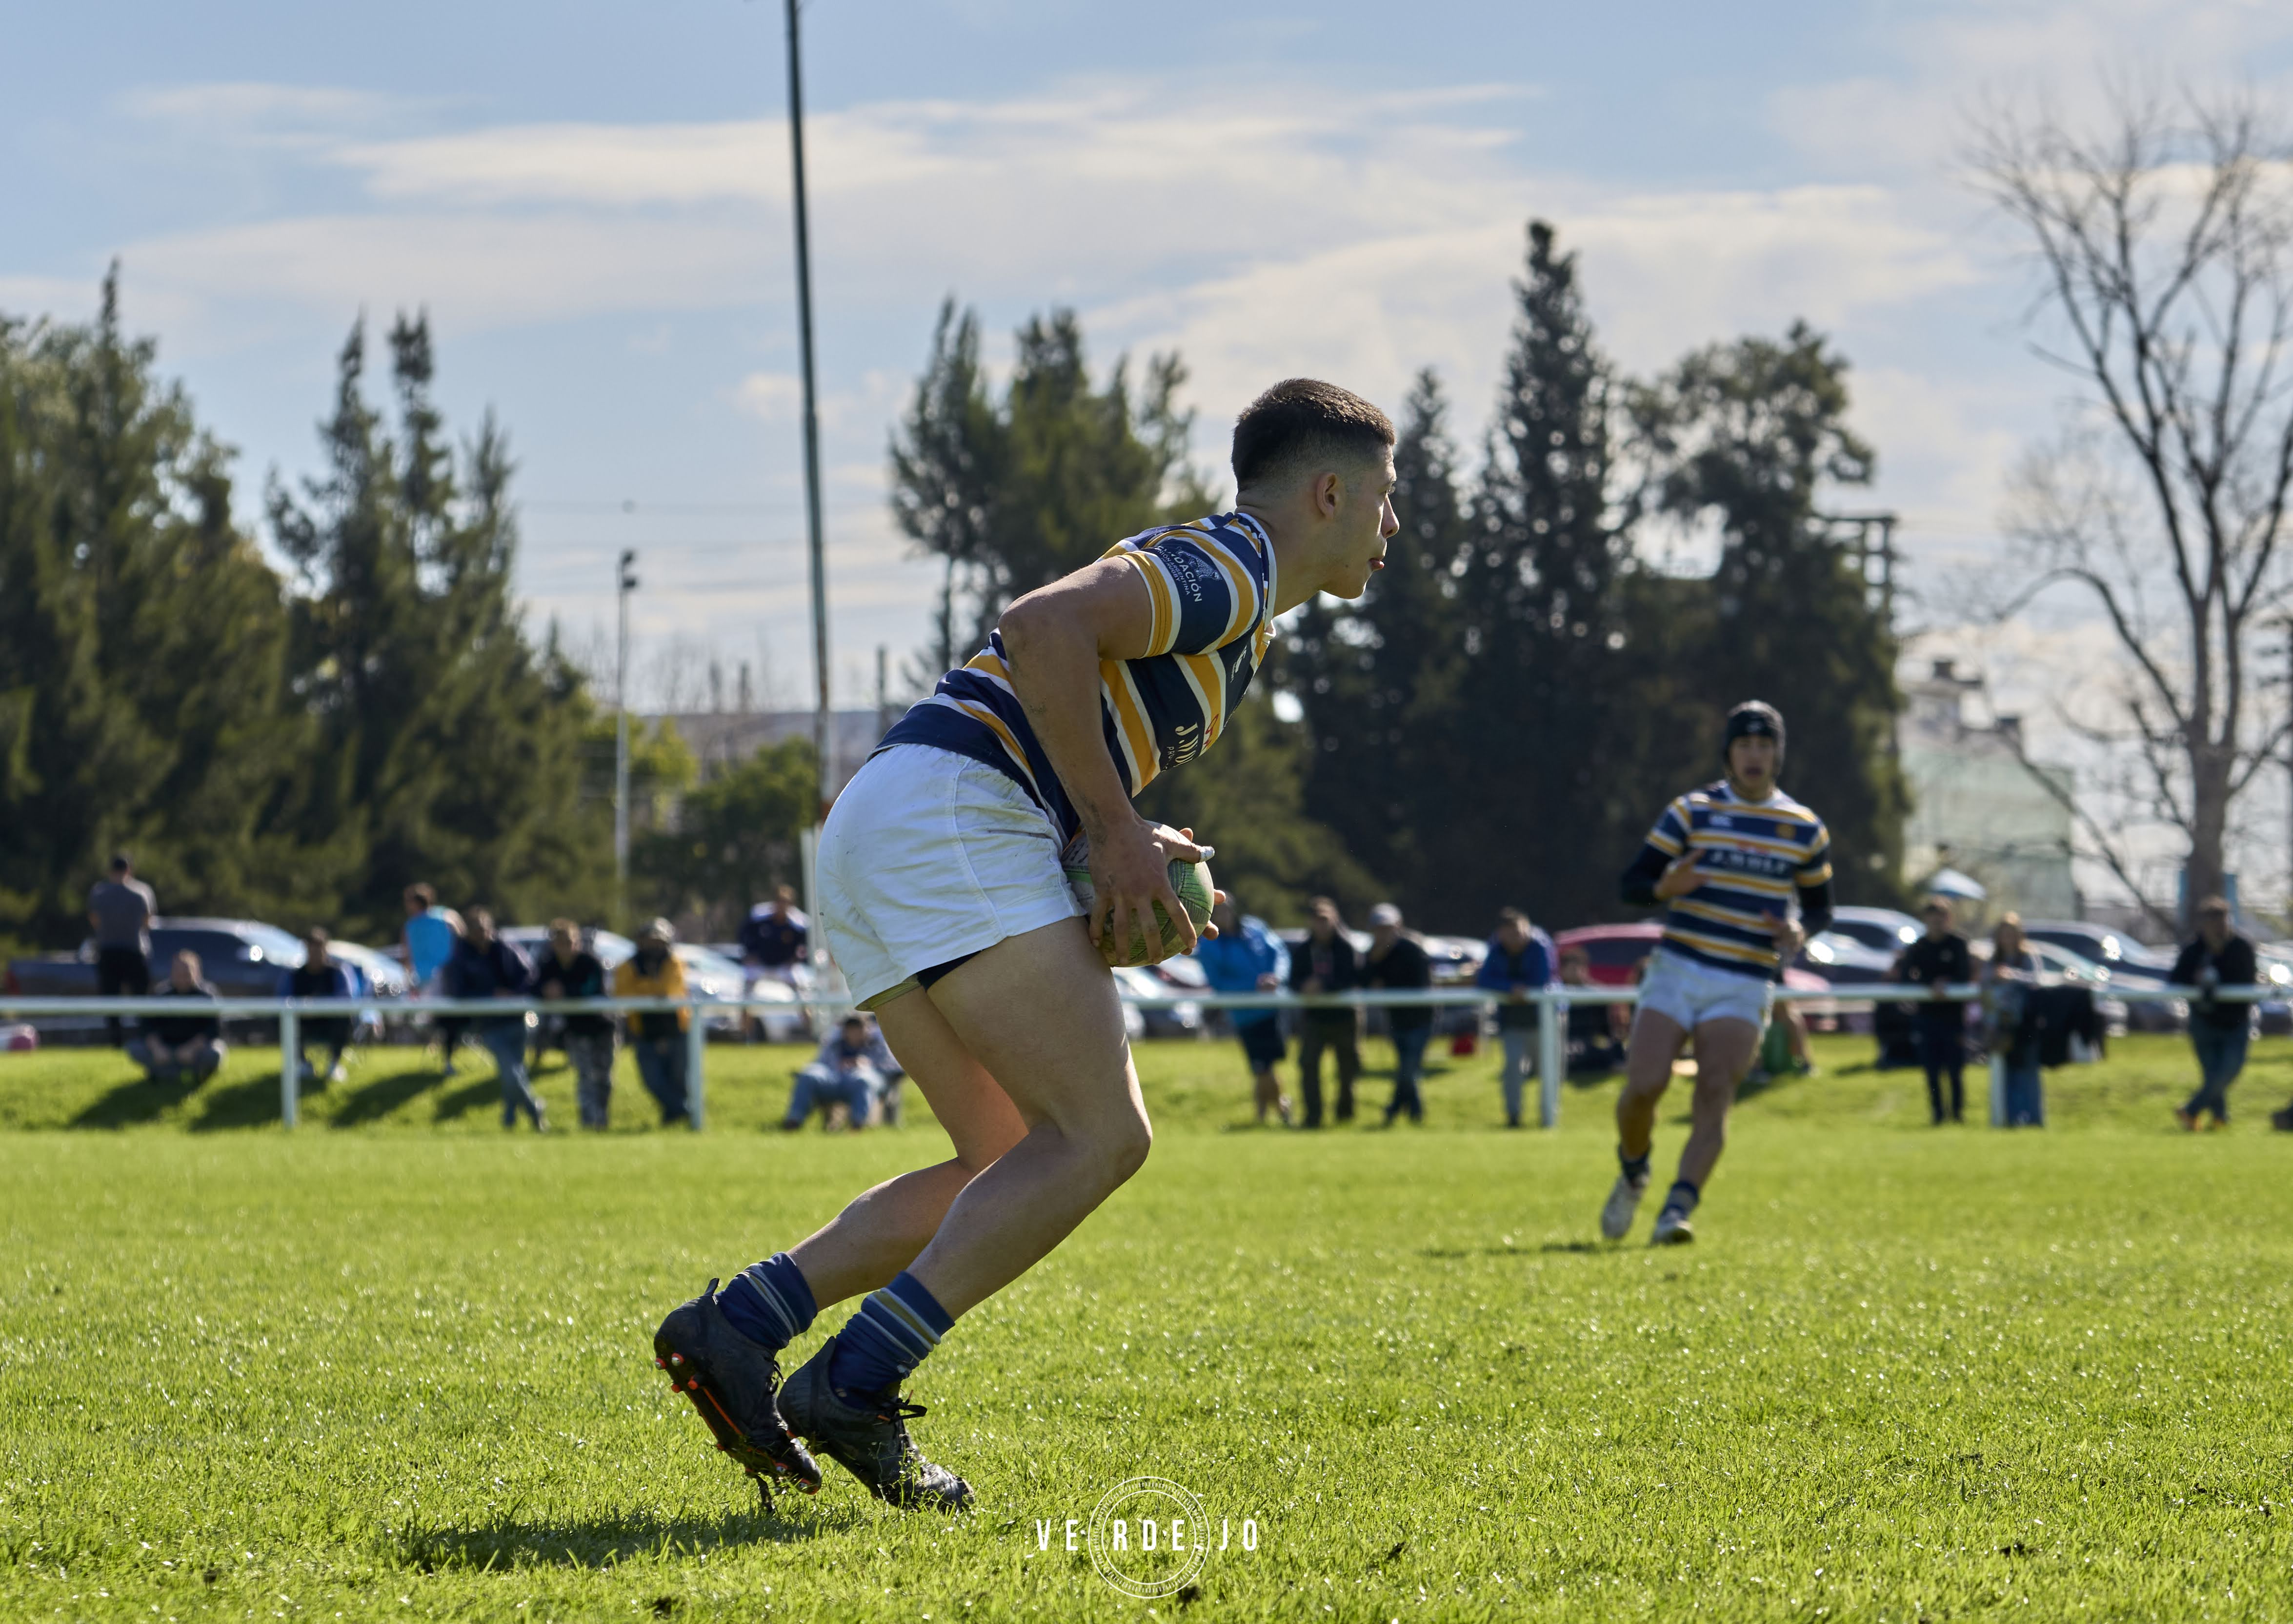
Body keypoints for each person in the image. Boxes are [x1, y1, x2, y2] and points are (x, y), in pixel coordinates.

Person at [649, 377, 1397, 1511]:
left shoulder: (1237, 604)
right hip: (952, 811)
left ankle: (739, 1323)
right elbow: (1041, 625)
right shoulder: (1238, 562)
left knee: (1002, 1159)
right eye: (1384, 497)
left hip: (895, 815)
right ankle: (855, 1381)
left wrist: (1117, 828)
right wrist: (1112, 829)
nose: (1392, 524)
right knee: (1101, 1135)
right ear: (1328, 494)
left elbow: (1057, 698)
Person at [1602, 701, 1834, 1244]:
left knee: (1714, 1091)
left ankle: (1676, 1209)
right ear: (1728, 753)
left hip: (1745, 978)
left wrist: (1798, 931)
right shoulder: (1691, 811)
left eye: (1764, 745)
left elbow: (1820, 908)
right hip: (1678, 968)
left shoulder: (1804, 828)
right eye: (1744, 744)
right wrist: (1665, 887)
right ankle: (1634, 1170)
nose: (1754, 755)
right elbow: (1632, 884)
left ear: (1778, 754)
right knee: (1643, 1086)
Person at [444, 907, 545, 1131]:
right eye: (476, 929)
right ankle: (534, 1108)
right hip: (489, 1025)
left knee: (515, 1073)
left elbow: (529, 977)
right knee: (511, 1072)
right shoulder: (461, 956)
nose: (482, 934)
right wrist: (491, 994)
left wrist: (513, 994)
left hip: (517, 1020)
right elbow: (458, 991)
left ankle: (509, 1120)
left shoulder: (506, 949)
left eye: (484, 928)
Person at [1194, 897, 1292, 1125]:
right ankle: (1281, 1108)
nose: (1223, 915)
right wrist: (1255, 987)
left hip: (1271, 1009)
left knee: (1265, 1067)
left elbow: (1280, 954)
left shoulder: (1256, 928)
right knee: (1263, 1067)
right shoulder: (1209, 945)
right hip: (1245, 1015)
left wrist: (1276, 978)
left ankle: (1263, 1115)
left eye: (1226, 910)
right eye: (1217, 912)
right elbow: (1218, 984)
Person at [2172, 896, 2257, 1131]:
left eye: (2222, 921)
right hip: (2204, 1021)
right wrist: (2196, 978)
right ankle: (2220, 1119)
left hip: (2235, 1021)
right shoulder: (2194, 949)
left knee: (2229, 1069)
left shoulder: (2241, 947)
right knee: (2212, 1074)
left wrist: (2219, 966)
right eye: (2212, 922)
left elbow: (2247, 980)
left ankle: (2191, 1110)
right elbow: (2177, 977)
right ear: (2203, 924)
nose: (2218, 928)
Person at [1896, 897, 1974, 1124]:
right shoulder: (1918, 946)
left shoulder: (1958, 944)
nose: (1937, 924)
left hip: (1953, 1017)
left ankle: (1957, 1114)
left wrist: (1947, 982)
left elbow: (1965, 975)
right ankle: (1937, 1114)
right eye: (1933, 919)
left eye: (1942, 919)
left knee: (1955, 1067)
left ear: (1949, 919)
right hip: (1927, 1017)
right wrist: (1928, 986)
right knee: (1931, 1068)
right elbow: (1906, 977)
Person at [1288, 896, 1363, 1127]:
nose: (1322, 925)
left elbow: (1352, 978)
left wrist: (1322, 985)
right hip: (1314, 1018)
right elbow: (1293, 981)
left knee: (1347, 1070)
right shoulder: (1303, 950)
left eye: (1326, 919)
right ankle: (1313, 1118)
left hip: (1345, 1017)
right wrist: (1304, 987)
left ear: (1335, 919)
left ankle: (1345, 1116)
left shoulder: (1347, 947)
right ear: (1311, 921)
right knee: (1308, 1066)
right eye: (1317, 919)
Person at [1476, 908, 1555, 1127]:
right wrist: (1511, 989)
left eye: (1520, 932)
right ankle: (1513, 1118)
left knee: (1549, 1071)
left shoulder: (1540, 946)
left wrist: (1520, 990)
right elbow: (1484, 980)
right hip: (1512, 1021)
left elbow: (1543, 979)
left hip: (1544, 1021)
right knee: (1512, 1068)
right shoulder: (1496, 950)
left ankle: (1548, 1118)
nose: (1517, 937)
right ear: (1501, 933)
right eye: (1511, 933)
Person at [538, 920, 615, 1130]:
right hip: (576, 1030)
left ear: (577, 942)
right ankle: (589, 1123)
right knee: (586, 1075)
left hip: (602, 1028)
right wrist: (545, 991)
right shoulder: (549, 965)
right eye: (560, 942)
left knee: (604, 1078)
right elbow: (536, 987)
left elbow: (592, 989)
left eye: (569, 942)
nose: (565, 947)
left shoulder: (591, 963)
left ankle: (602, 1121)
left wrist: (564, 991)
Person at [615, 919, 692, 1126]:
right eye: (649, 941)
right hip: (645, 1032)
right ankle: (686, 1112)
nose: (653, 946)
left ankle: (675, 1120)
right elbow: (623, 995)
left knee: (679, 1080)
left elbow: (669, 991)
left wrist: (642, 987)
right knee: (653, 1081)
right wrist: (652, 989)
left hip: (677, 1031)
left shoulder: (674, 962)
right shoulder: (628, 966)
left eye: (658, 941)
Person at [1363, 903, 1433, 1125]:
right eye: (1379, 929)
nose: (1383, 933)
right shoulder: (1373, 953)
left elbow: (1421, 985)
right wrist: (1375, 960)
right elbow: (1365, 982)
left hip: (1421, 1020)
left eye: (1387, 928)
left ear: (1398, 927)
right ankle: (1414, 1112)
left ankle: (1395, 1110)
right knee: (1406, 1068)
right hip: (1396, 1020)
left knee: (1408, 1068)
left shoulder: (1413, 950)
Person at [783, 1016, 903, 1131]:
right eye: (851, 1029)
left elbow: (893, 1066)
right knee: (808, 1076)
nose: (855, 1033)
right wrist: (839, 1065)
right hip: (835, 1079)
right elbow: (820, 1063)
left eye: (859, 1028)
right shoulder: (834, 1042)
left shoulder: (879, 1042)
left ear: (867, 1029)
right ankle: (794, 1121)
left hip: (866, 1080)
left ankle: (858, 1125)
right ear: (845, 1031)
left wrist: (867, 1064)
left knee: (863, 1079)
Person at [88, 854, 157, 1049]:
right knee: (141, 1000)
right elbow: (148, 922)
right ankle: (144, 1037)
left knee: (111, 1000)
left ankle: (116, 1041)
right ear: (130, 870)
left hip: (108, 951)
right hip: (134, 951)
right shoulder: (142, 892)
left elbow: (95, 920)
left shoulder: (99, 892)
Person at [127, 950, 226, 1084]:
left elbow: (215, 1029)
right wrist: (157, 1048)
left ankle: (194, 1073)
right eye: (178, 973)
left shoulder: (207, 996)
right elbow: (147, 1026)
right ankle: (164, 1073)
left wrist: (192, 1048)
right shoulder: (161, 994)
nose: (182, 978)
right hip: (166, 1049)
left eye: (186, 974)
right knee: (135, 1048)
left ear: (196, 972)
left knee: (215, 1053)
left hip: (195, 1051)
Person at [1983, 913, 2044, 1127]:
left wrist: (2012, 975)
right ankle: (2011, 1118)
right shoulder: (1993, 961)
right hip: (2002, 1025)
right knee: (2006, 1071)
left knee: (2028, 1070)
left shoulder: (2027, 957)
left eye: (2011, 934)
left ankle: (2033, 1119)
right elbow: (1984, 983)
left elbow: (2036, 980)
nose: (2007, 938)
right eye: (2003, 934)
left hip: (2026, 1024)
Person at [279, 927, 357, 1086]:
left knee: (345, 1018)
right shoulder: (294, 975)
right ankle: (303, 1064)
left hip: (331, 1024)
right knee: (284, 1021)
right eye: (312, 949)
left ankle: (334, 1065)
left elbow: (347, 999)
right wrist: (303, 1008)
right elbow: (283, 1001)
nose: (316, 954)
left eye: (319, 949)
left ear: (326, 949)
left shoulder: (338, 972)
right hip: (305, 1024)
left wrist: (318, 1005)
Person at [403, 884, 466, 1075]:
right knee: (442, 1019)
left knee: (443, 1019)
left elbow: (407, 956)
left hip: (441, 979)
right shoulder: (447, 917)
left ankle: (447, 1057)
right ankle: (447, 1057)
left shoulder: (441, 919)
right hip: (436, 980)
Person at [1558, 946, 1628, 1076]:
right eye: (1571, 969)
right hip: (1566, 1042)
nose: (1576, 973)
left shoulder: (1596, 994)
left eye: (1578, 969)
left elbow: (1606, 1031)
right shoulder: (1555, 994)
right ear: (1563, 971)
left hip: (1589, 1043)